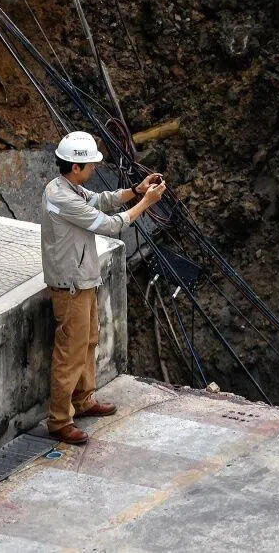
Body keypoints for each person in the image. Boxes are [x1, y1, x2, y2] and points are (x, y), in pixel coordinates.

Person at [41, 132, 164, 444]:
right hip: (71, 284)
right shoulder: (62, 198)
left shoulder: (69, 188)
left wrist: (135, 191)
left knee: (89, 341)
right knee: (70, 352)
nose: (94, 169)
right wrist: (146, 203)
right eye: (90, 165)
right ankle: (59, 420)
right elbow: (110, 224)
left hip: (83, 278)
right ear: (75, 167)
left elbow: (101, 200)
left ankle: (83, 400)